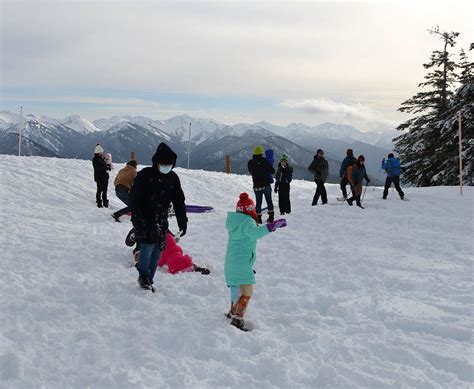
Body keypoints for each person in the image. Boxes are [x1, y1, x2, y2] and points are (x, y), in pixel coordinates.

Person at [224, 192, 287, 331]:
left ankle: (232, 311)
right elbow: (256, 233)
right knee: (247, 291)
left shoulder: (235, 222)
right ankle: (237, 318)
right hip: (240, 263)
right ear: (250, 210)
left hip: (232, 262)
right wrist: (272, 226)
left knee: (237, 288)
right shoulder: (247, 222)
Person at [129, 142, 188, 290]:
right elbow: (134, 200)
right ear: (156, 163)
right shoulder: (144, 175)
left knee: (157, 253)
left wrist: (183, 222)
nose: (166, 167)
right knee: (147, 249)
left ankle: (150, 279)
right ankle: (143, 276)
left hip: (161, 221)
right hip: (144, 219)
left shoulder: (172, 178)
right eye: (163, 164)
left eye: (169, 165)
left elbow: (179, 201)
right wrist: (137, 220)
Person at [248, 145, 275, 224]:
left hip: (256, 186)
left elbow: (251, 172)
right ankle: (271, 217)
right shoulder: (264, 161)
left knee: (258, 202)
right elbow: (272, 171)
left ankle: (258, 219)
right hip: (266, 185)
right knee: (269, 201)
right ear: (261, 153)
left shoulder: (250, 163)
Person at [111, 155, 137, 222]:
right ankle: (116, 214)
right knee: (133, 205)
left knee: (132, 203)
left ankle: (131, 212)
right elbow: (136, 183)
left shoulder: (121, 170)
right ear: (135, 166)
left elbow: (115, 181)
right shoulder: (134, 171)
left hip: (117, 189)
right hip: (123, 190)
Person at [92, 143, 111, 208]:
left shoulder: (100, 158)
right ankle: (99, 203)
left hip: (104, 177)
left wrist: (108, 166)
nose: (102, 153)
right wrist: (107, 168)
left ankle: (105, 202)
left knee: (104, 191)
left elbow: (103, 166)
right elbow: (98, 169)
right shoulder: (96, 159)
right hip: (100, 178)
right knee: (100, 190)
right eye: (101, 152)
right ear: (98, 152)